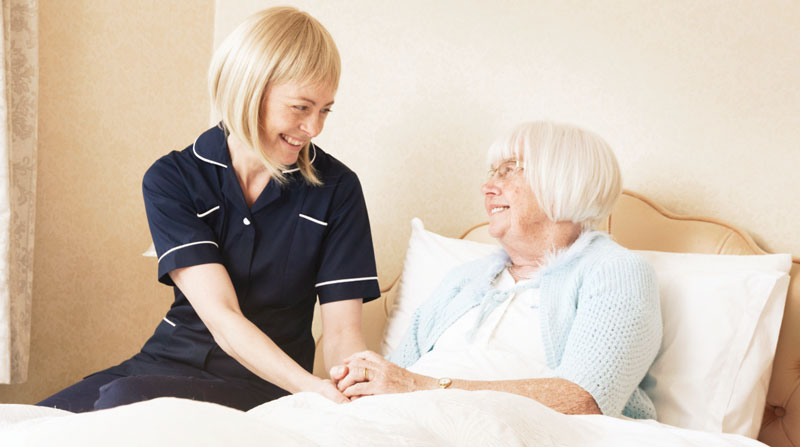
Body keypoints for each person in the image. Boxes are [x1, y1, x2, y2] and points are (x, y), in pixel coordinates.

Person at [37, 6, 380, 412]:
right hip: (161, 362)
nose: (314, 129)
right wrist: (311, 386)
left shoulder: (337, 188)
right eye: (301, 107)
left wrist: (340, 394)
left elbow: (342, 334)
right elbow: (220, 316)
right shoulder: (173, 178)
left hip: (267, 383)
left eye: (325, 110)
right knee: (32, 423)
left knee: (122, 404)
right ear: (250, 91)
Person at [330, 121, 663, 418]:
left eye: (509, 169)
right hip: (405, 423)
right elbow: (395, 377)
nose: (487, 187)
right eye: (492, 172)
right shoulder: (462, 280)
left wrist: (421, 387)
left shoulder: (616, 271)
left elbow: (584, 401)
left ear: (565, 180)